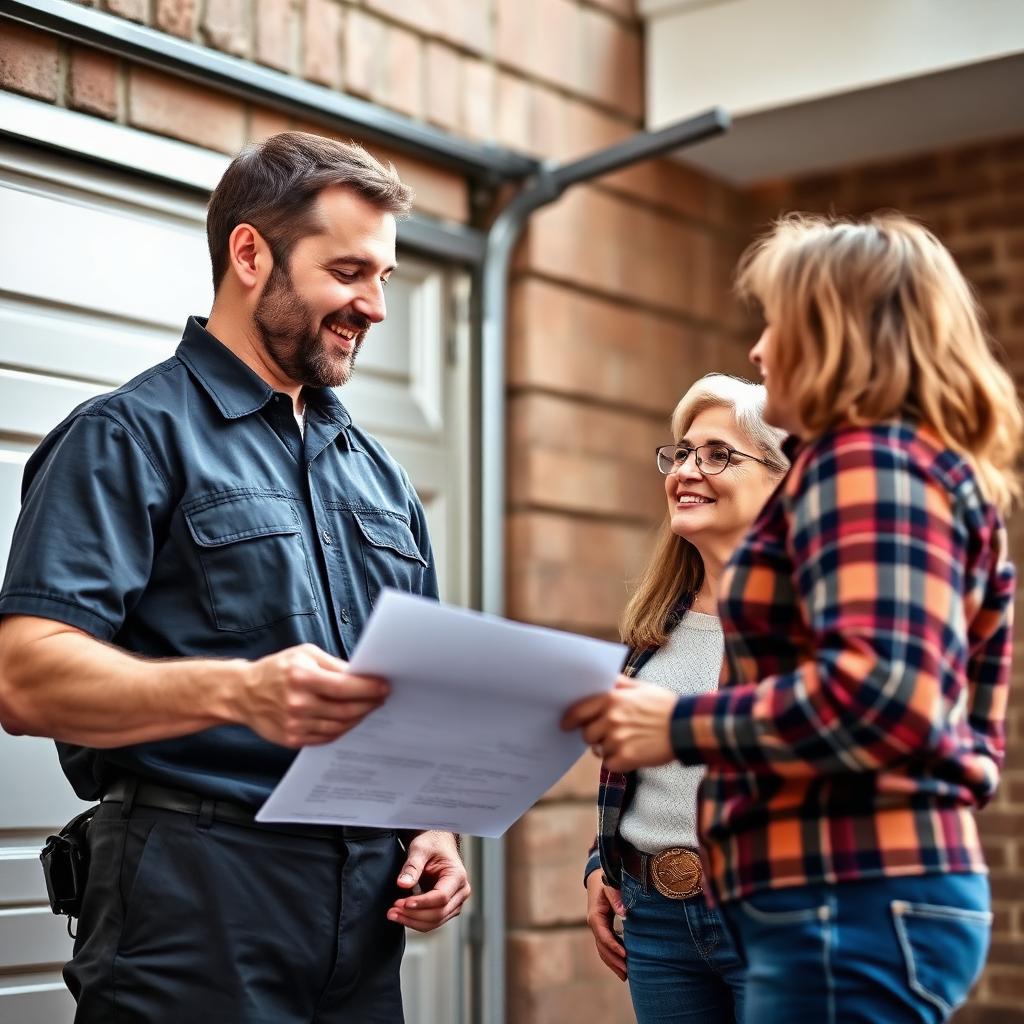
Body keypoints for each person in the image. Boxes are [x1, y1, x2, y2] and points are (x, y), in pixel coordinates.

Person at [0, 132, 469, 1024]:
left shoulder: (381, 478)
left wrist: (431, 826)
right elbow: (24, 678)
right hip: (193, 901)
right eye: (348, 272)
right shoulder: (127, 437)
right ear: (250, 254)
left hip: (365, 919)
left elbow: (413, 693)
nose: (374, 306)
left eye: (383, 277)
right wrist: (239, 692)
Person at [566, 213, 1021, 1023]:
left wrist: (677, 725)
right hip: (857, 895)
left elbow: (882, 698)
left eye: (776, 321)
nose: (759, 348)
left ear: (832, 334)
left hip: (847, 895)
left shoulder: (869, 465)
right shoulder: (919, 466)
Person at [583, 374, 788, 1023]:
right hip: (655, 923)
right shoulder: (657, 622)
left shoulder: (816, 622)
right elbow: (641, 776)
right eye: (682, 453)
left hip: (773, 916)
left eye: (718, 454)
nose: (686, 471)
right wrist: (601, 864)